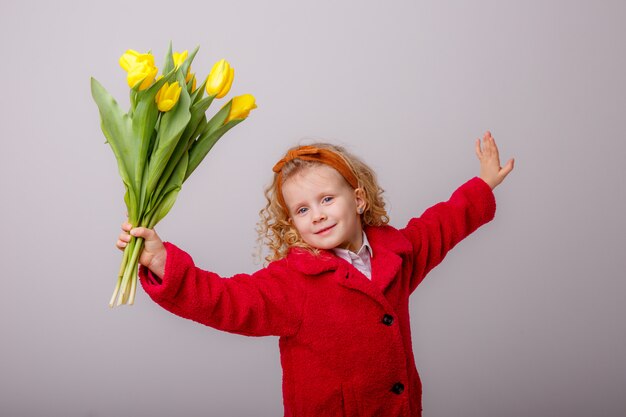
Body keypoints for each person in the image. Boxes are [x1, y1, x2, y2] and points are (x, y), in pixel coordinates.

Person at [116, 131, 514, 417]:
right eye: (303, 209)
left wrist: (483, 185)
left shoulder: (398, 255)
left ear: (358, 199)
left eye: (326, 199)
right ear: (292, 222)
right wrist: (163, 262)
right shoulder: (292, 283)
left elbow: (440, 226)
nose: (317, 214)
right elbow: (227, 301)